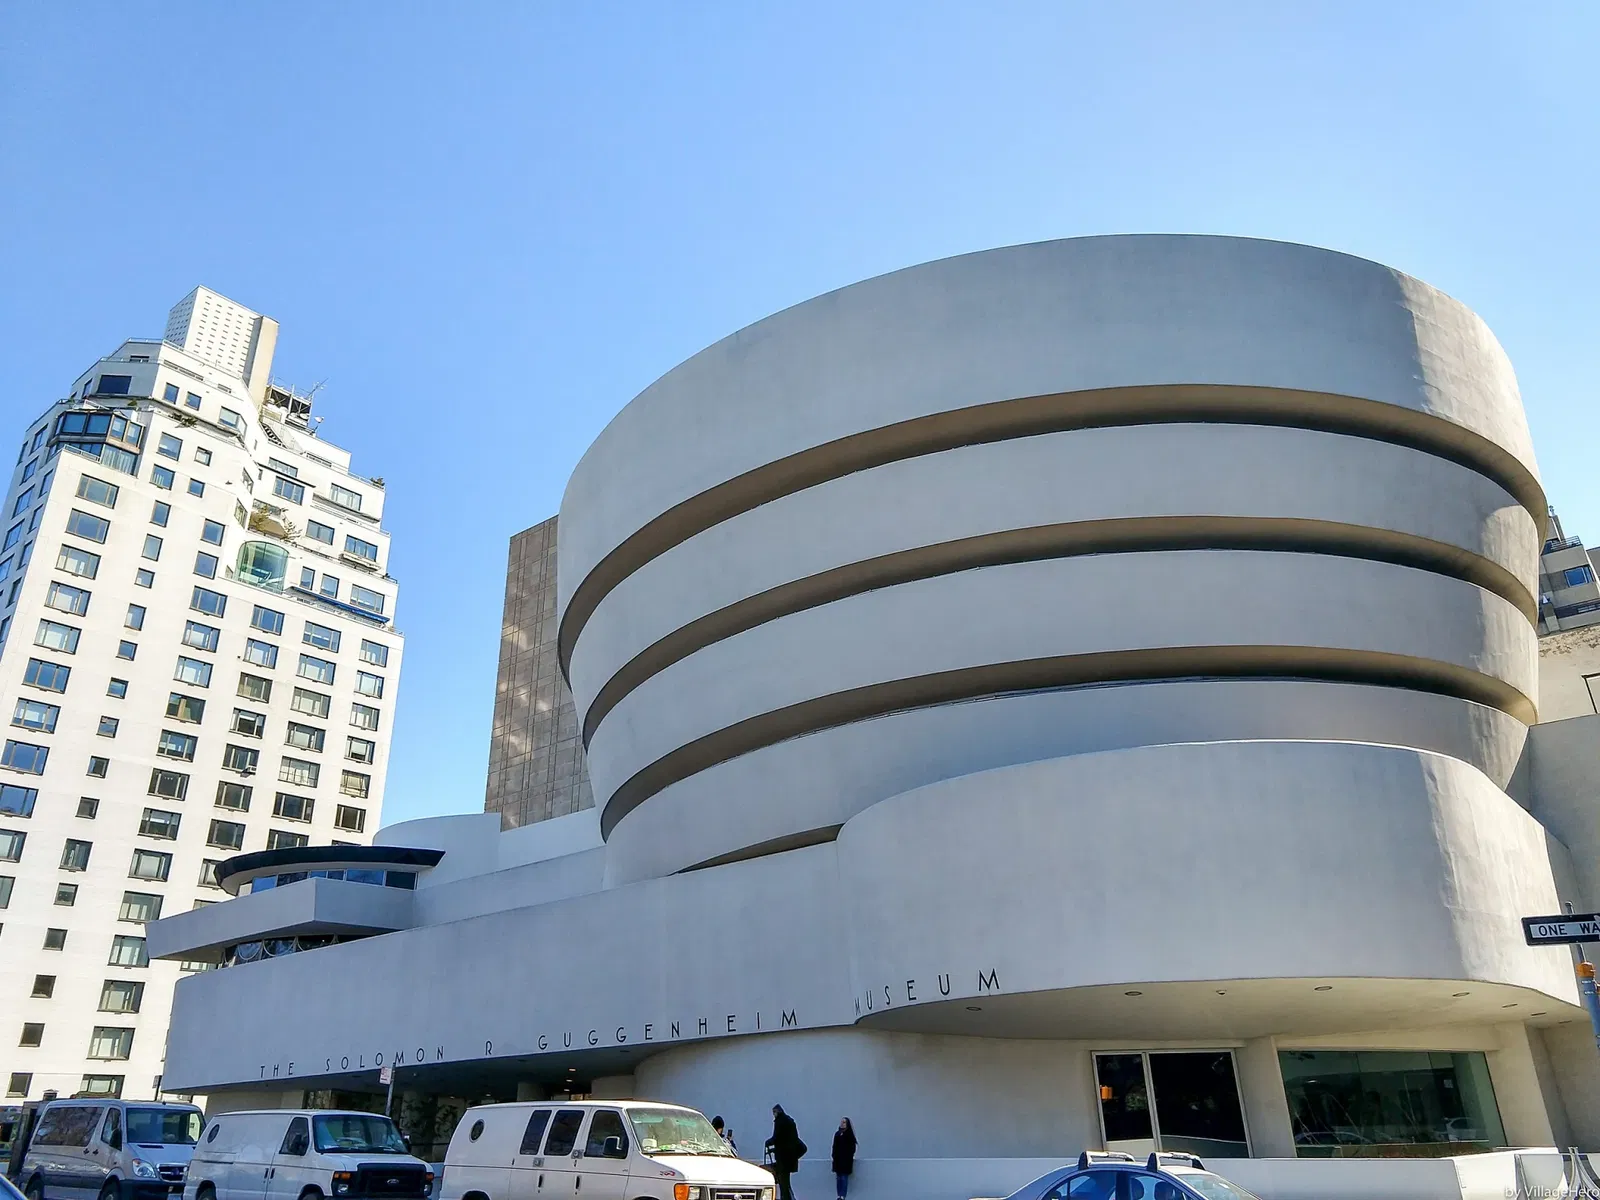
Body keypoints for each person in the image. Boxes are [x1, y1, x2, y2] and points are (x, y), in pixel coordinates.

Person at [764, 1104, 805, 1200]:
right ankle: (788, 1198)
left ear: (776, 1112)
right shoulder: (790, 1122)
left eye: (774, 1113)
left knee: (783, 1183)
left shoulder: (779, 1122)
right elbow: (789, 1140)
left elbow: (777, 1137)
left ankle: (786, 1198)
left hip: (782, 1158)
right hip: (789, 1158)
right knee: (786, 1182)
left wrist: (768, 1142)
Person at [830, 1117, 856, 1200]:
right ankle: (839, 1195)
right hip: (838, 1160)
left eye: (844, 1122)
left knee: (844, 1177)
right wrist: (834, 1156)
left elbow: (852, 1148)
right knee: (839, 1178)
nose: (842, 1124)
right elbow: (834, 1147)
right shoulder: (837, 1134)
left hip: (846, 1161)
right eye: (841, 1122)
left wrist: (848, 1157)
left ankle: (842, 1195)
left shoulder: (849, 1135)